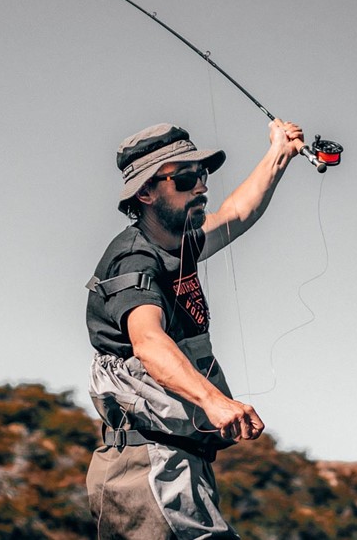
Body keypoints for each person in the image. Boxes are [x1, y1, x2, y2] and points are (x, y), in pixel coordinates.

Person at [85, 119, 304, 539]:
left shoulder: (177, 244)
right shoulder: (134, 261)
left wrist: (280, 151)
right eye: (185, 179)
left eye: (202, 176)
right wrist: (216, 402)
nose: (201, 187)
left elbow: (239, 211)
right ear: (145, 193)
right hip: (147, 468)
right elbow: (148, 342)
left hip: (180, 465)